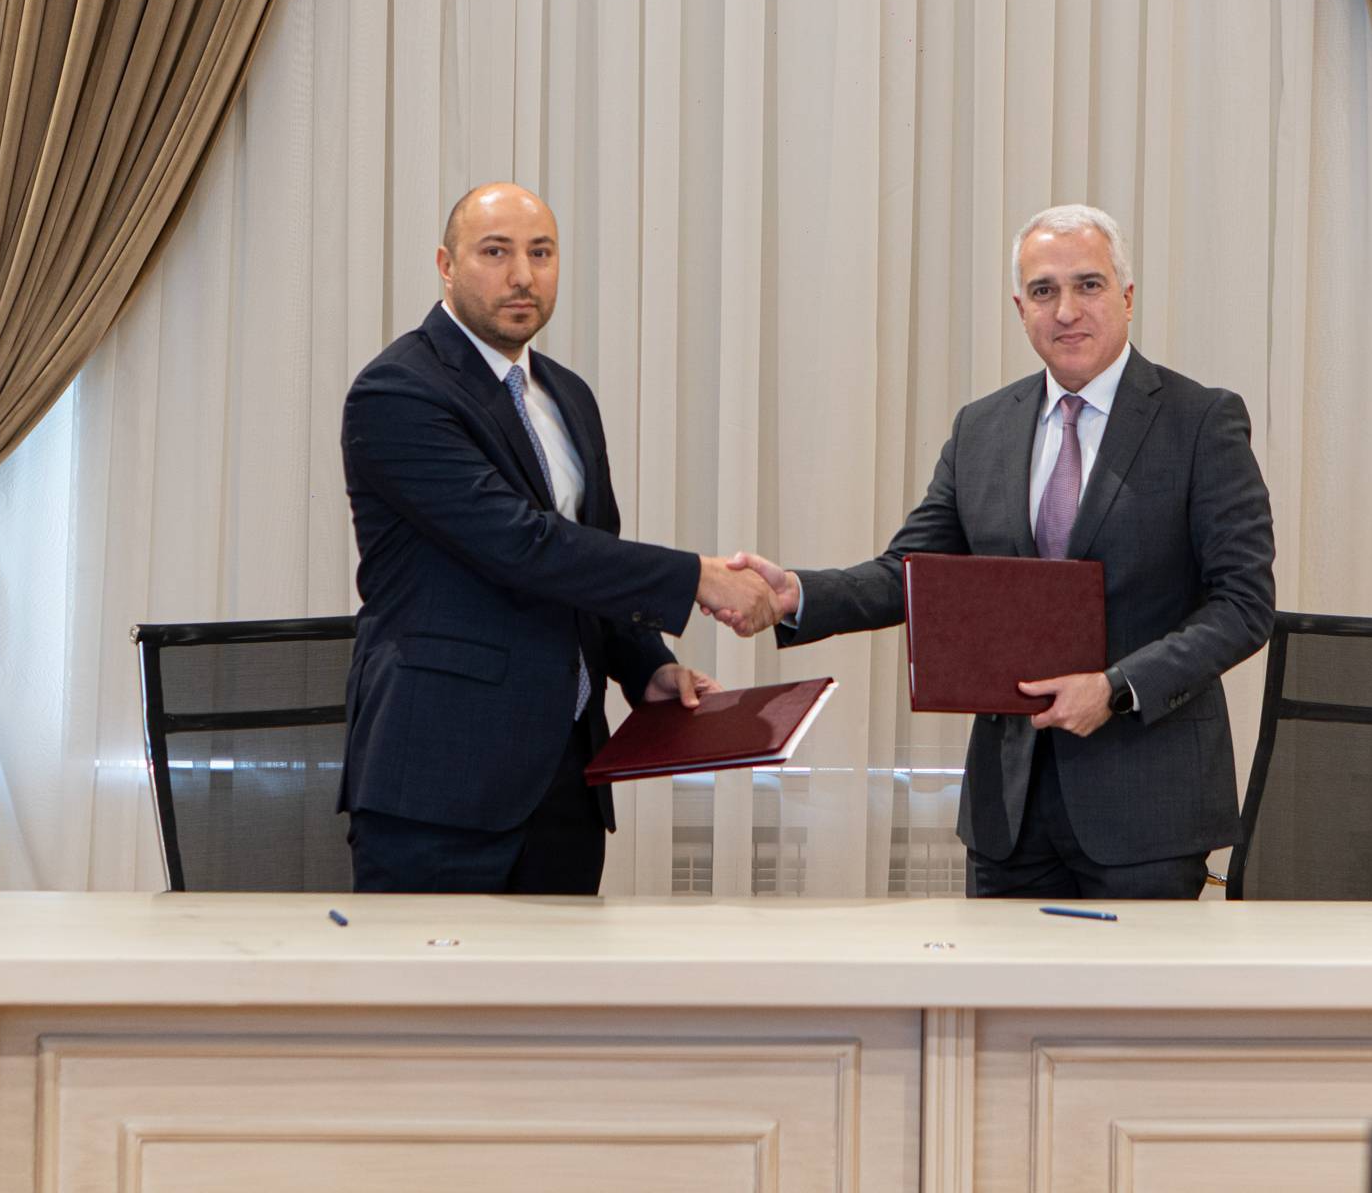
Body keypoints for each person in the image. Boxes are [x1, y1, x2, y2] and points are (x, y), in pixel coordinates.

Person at [721, 204, 1274, 899]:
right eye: (1044, 291)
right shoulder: (982, 428)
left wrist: (1115, 687)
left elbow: (1243, 604)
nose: (1066, 310)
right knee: (1000, 978)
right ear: (1021, 309)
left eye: (1089, 285)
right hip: (1008, 812)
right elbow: (910, 573)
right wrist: (796, 594)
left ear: (1127, 297)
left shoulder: (1200, 421)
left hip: (1147, 809)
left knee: (1132, 981)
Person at [339, 182, 777, 894]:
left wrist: (645, 666)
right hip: (440, 788)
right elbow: (522, 545)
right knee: (432, 976)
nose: (522, 275)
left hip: (566, 784)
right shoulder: (398, 391)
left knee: (562, 974)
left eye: (541, 253)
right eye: (495, 252)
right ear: (446, 266)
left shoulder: (567, 395)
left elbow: (588, 558)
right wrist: (696, 575)